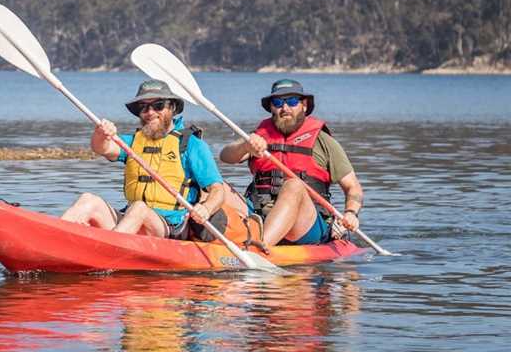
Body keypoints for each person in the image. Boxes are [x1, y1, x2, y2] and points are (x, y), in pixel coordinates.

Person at [61, 79, 248, 239]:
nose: (150, 112)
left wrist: (206, 209)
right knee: (88, 200)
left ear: (172, 108)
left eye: (158, 106)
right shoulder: (133, 142)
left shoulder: (192, 145)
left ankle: (105, 250)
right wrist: (101, 133)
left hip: (170, 226)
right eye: (144, 107)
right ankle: (54, 239)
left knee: (139, 209)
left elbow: (217, 190)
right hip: (130, 220)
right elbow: (101, 148)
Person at [218, 79, 363, 250]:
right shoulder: (258, 138)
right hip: (258, 214)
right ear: (271, 107)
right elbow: (225, 156)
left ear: (304, 105)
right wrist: (245, 146)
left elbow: (353, 187)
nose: (285, 108)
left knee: (294, 185)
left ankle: (260, 247)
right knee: (217, 186)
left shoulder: (324, 142)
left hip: (304, 225)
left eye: (292, 102)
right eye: (278, 103)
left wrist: (351, 213)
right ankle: (193, 234)